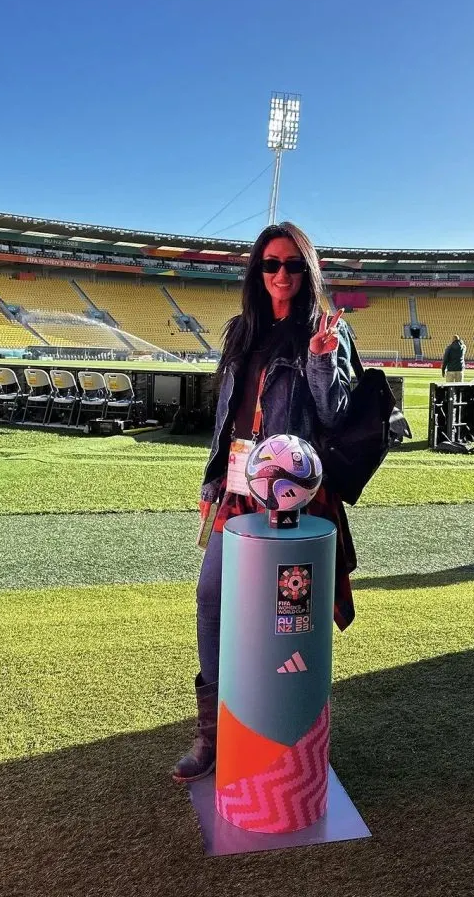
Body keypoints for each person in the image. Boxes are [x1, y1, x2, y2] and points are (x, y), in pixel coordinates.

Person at [172, 222, 358, 784]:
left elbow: (334, 417)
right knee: (211, 598)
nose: (282, 275)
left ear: (309, 272)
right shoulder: (241, 330)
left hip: (294, 498)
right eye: (271, 264)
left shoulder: (326, 331)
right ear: (257, 270)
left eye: (294, 265)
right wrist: (211, 478)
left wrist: (323, 361)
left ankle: (288, 739)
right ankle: (214, 734)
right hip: (236, 487)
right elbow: (227, 415)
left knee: (288, 619)